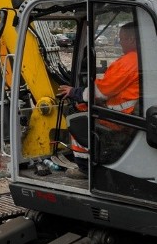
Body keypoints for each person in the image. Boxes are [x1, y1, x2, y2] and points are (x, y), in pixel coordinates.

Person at [58, 22, 140, 171]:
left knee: (77, 117)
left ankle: (86, 168)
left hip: (120, 118)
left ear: (132, 40)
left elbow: (100, 92)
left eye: (121, 39)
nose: (119, 42)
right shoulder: (144, 59)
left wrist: (73, 92)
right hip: (132, 114)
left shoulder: (128, 62)